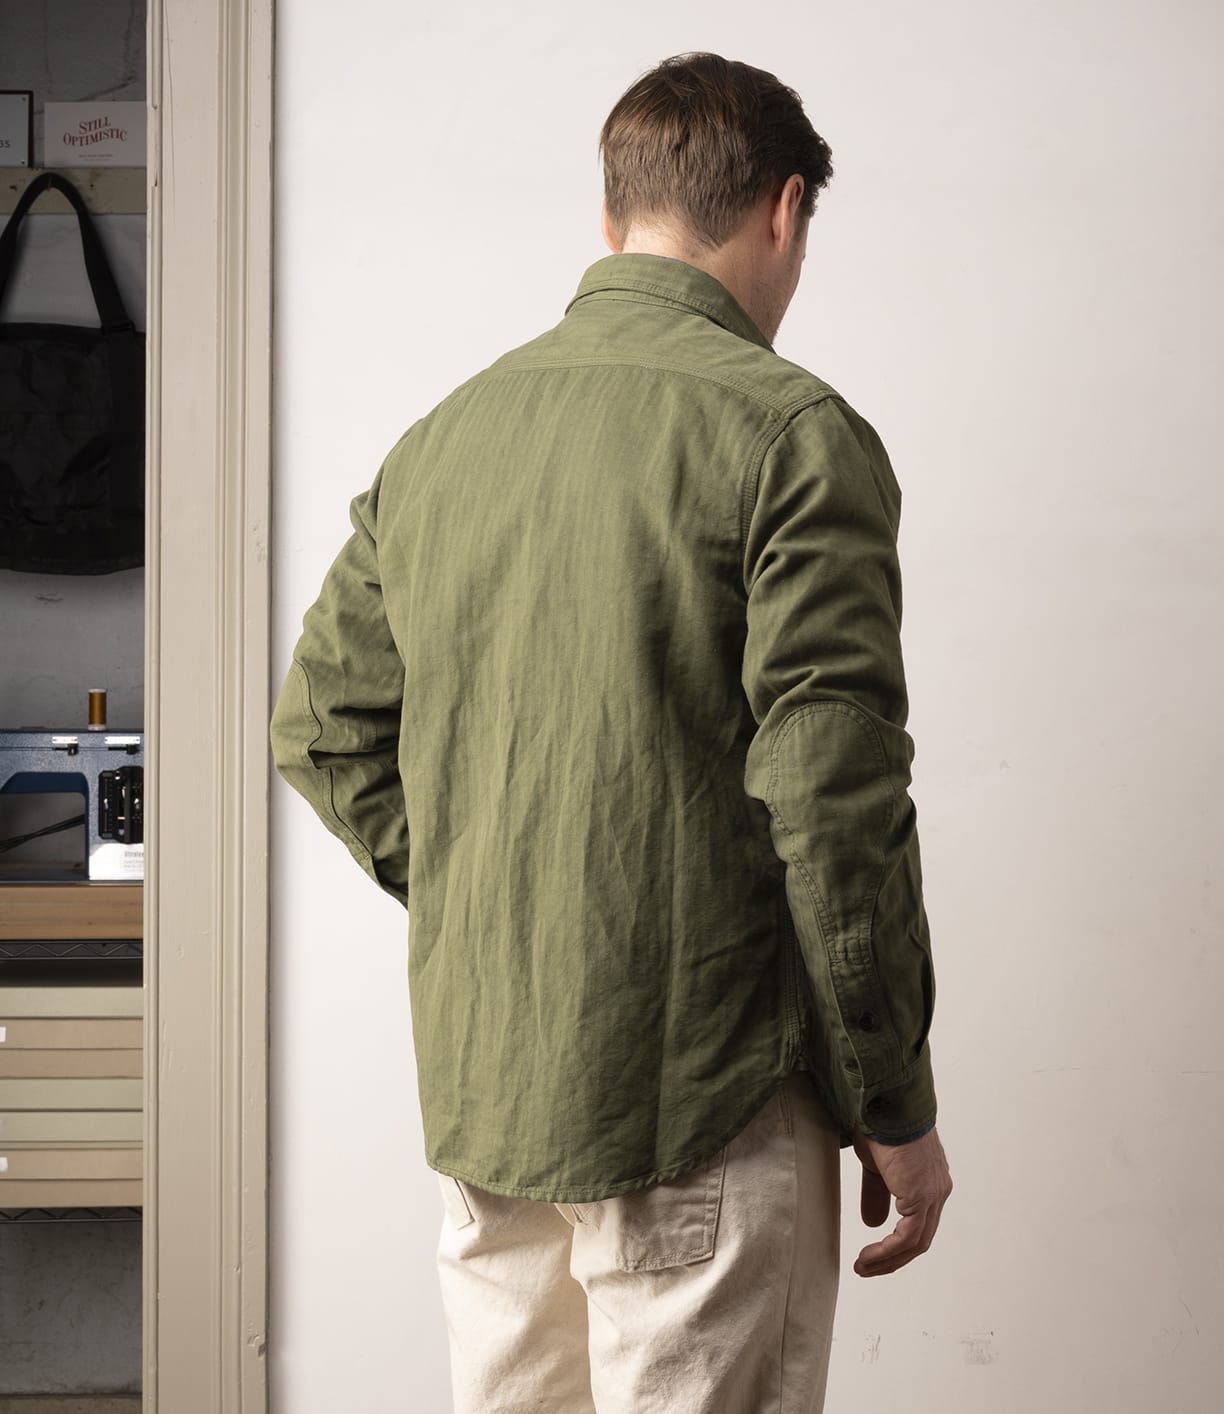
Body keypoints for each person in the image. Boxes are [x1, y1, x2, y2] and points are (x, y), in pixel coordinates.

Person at [271, 50, 952, 1414]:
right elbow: (833, 800)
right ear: (782, 209)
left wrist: (496, 885)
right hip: (710, 1091)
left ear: (613, 217)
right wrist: (896, 1100)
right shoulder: (793, 435)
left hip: (495, 1097)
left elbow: (322, 726)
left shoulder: (441, 442)